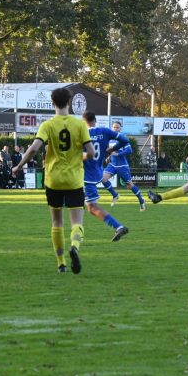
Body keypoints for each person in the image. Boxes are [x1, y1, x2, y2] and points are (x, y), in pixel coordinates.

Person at [12, 87, 94, 274]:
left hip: (53, 180)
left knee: (57, 223)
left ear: (52, 103)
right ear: (69, 102)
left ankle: (61, 263)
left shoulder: (48, 125)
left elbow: (33, 149)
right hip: (74, 180)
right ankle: (74, 246)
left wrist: (19, 166)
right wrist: (77, 158)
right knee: (77, 222)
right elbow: (91, 153)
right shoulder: (80, 125)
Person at [82, 112, 131, 242]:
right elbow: (125, 140)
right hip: (97, 171)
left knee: (92, 207)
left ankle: (118, 226)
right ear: (95, 120)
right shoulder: (105, 131)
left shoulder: (82, 133)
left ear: (84, 121)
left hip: (86, 174)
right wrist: (111, 149)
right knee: (76, 202)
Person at [102, 120, 146, 211]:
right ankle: (115, 195)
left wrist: (118, 154)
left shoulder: (122, 138)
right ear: (112, 128)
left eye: (117, 127)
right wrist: (108, 157)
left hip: (122, 166)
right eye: (114, 127)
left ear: (120, 128)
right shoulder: (109, 139)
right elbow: (108, 150)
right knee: (103, 178)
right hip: (112, 165)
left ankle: (141, 200)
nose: (115, 129)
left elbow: (129, 150)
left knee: (130, 185)